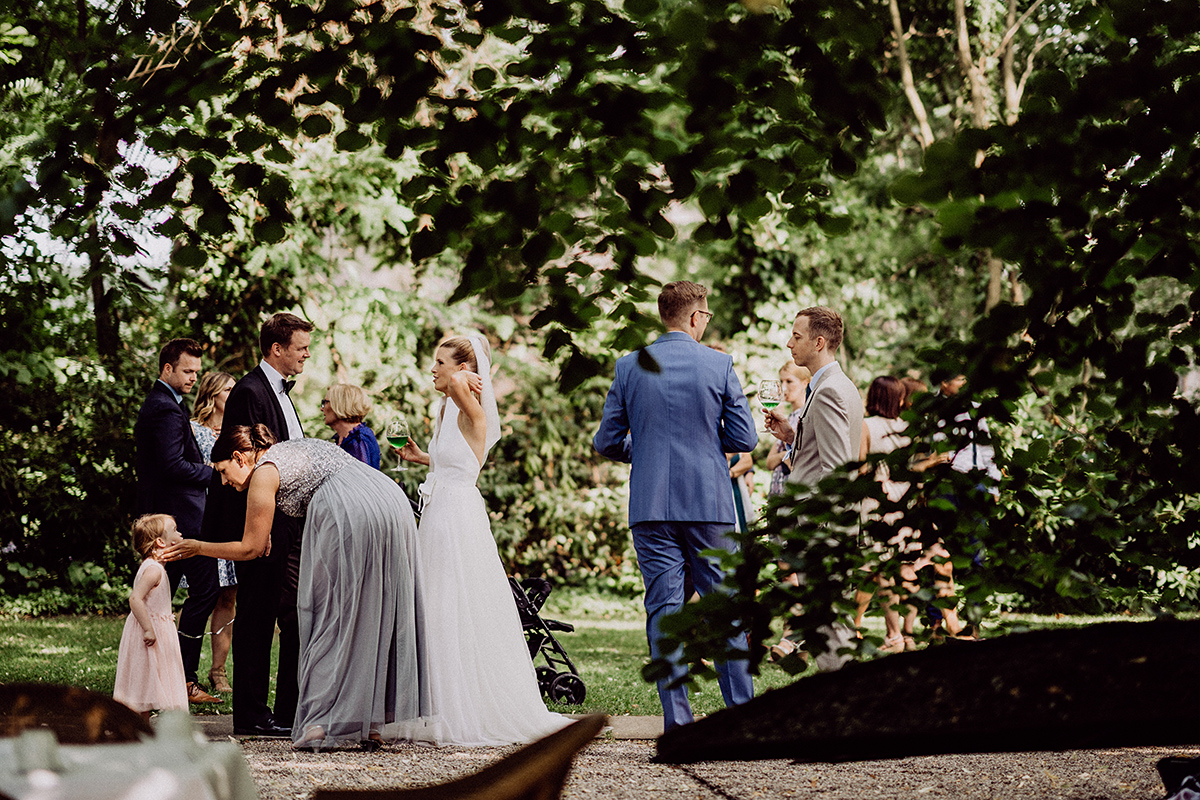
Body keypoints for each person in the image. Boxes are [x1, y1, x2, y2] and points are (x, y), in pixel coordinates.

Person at [164, 424, 420, 751]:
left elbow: (250, 549)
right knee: (371, 609)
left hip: (348, 508)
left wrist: (199, 546)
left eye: (224, 471)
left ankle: (324, 721)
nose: (225, 482)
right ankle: (370, 722)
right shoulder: (284, 453)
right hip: (384, 498)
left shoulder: (263, 473)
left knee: (328, 614)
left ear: (240, 457)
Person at [594, 281, 758, 732]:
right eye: (705, 316)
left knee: (664, 610)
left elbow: (606, 441)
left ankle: (679, 724)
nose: (705, 323)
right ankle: (740, 718)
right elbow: (745, 438)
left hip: (651, 504)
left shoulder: (629, 366)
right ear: (693, 317)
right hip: (709, 502)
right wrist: (706, 443)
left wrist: (644, 448)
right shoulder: (719, 363)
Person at [393, 334, 568, 746]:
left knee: (458, 603)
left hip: (457, 517)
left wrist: (468, 378)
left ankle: (465, 708)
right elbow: (456, 458)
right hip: (438, 515)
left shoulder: (471, 407)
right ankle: (435, 703)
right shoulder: (446, 408)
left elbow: (470, 426)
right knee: (435, 604)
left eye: (440, 362)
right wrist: (423, 456)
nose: (433, 369)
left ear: (463, 370)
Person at [201, 312, 313, 737]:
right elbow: (242, 463)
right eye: (300, 347)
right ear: (276, 349)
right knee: (256, 617)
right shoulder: (249, 391)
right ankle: (251, 714)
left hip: (287, 521)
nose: (306, 354)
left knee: (292, 616)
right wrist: (258, 532)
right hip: (265, 524)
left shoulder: (278, 392)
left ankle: (287, 710)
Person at [764, 306, 864, 672]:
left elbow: (837, 470)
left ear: (819, 342)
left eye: (797, 336)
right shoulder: (832, 385)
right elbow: (823, 452)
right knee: (827, 625)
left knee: (829, 627)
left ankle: (844, 714)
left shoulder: (830, 391)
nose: (789, 343)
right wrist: (792, 436)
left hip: (822, 530)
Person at [133, 337, 220, 705]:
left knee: (160, 598)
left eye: (196, 372)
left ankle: (170, 679)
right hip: (177, 523)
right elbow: (172, 465)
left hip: (171, 519)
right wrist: (213, 472)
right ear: (167, 368)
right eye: (187, 371)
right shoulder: (166, 409)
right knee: (201, 592)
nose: (193, 378)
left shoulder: (164, 404)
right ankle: (180, 679)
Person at [853, 376, 911, 653]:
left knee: (873, 570)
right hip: (900, 504)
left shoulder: (866, 425)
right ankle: (893, 633)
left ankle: (888, 633)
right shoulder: (907, 428)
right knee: (885, 570)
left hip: (875, 504)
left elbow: (860, 468)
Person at [113, 514, 189, 721]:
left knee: (147, 680)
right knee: (143, 679)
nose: (180, 533)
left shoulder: (154, 567)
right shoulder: (154, 570)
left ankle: (142, 728)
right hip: (148, 631)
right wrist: (148, 628)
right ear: (161, 542)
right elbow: (135, 599)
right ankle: (137, 728)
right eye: (174, 529)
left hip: (156, 628)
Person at [189, 370, 237, 695]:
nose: (234, 393)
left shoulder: (236, 432)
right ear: (212, 394)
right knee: (202, 595)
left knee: (229, 595)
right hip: (204, 519)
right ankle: (184, 668)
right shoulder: (193, 431)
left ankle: (218, 672)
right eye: (228, 389)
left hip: (231, 520)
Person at [764, 361, 811, 662]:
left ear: (806, 382)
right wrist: (785, 454)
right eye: (781, 381)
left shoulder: (807, 415)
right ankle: (794, 636)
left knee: (795, 568)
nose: (784, 388)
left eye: (790, 381)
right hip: (779, 495)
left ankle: (791, 636)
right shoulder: (787, 416)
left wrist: (786, 454)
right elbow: (770, 460)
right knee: (784, 569)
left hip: (796, 499)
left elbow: (801, 461)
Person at [322, 383, 381, 469]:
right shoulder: (347, 438)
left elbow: (359, 479)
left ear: (340, 404)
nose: (321, 408)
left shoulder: (358, 440)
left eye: (325, 402)